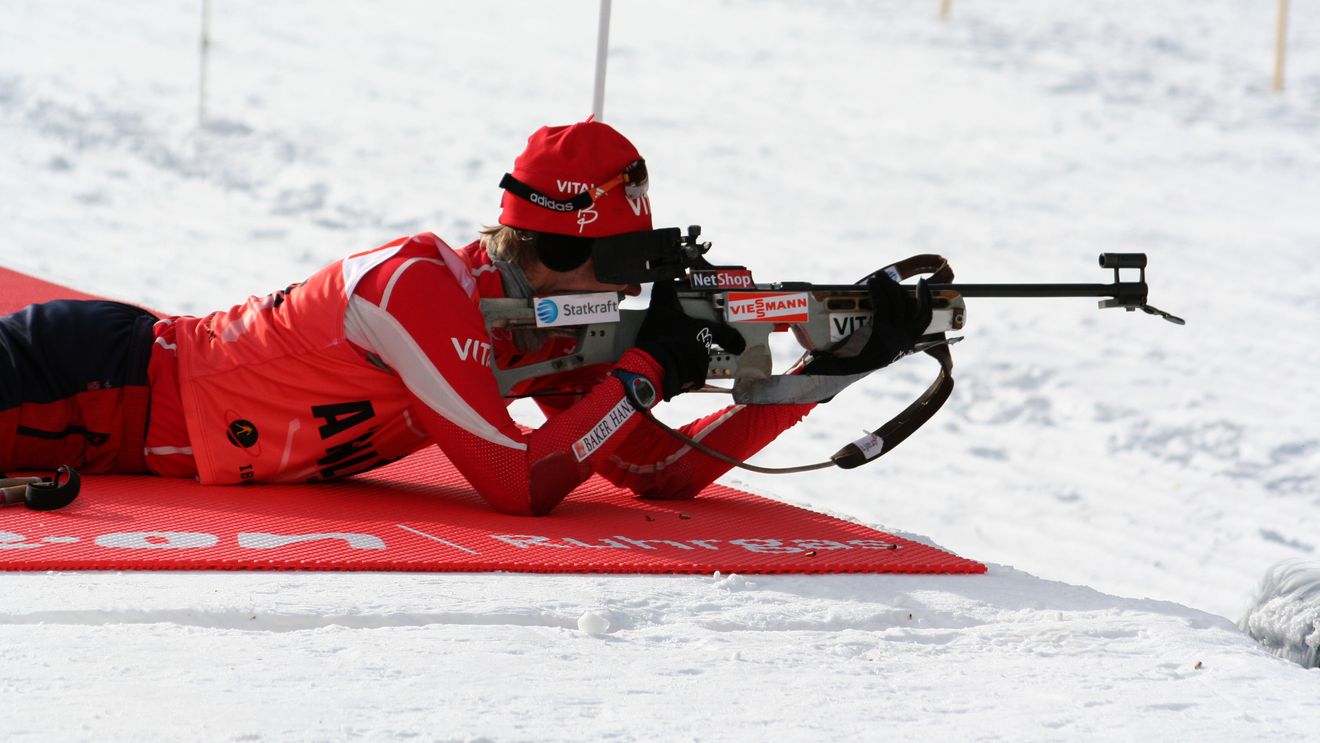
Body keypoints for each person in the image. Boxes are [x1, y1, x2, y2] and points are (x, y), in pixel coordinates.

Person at [0, 120, 928, 516]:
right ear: (556, 250)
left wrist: (826, 372)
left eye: (636, 264)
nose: (624, 282)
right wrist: (649, 369)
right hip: (94, 386)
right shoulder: (417, 292)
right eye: (613, 261)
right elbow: (516, 484)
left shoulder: (554, 328)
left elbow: (653, 469)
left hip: (112, 416)